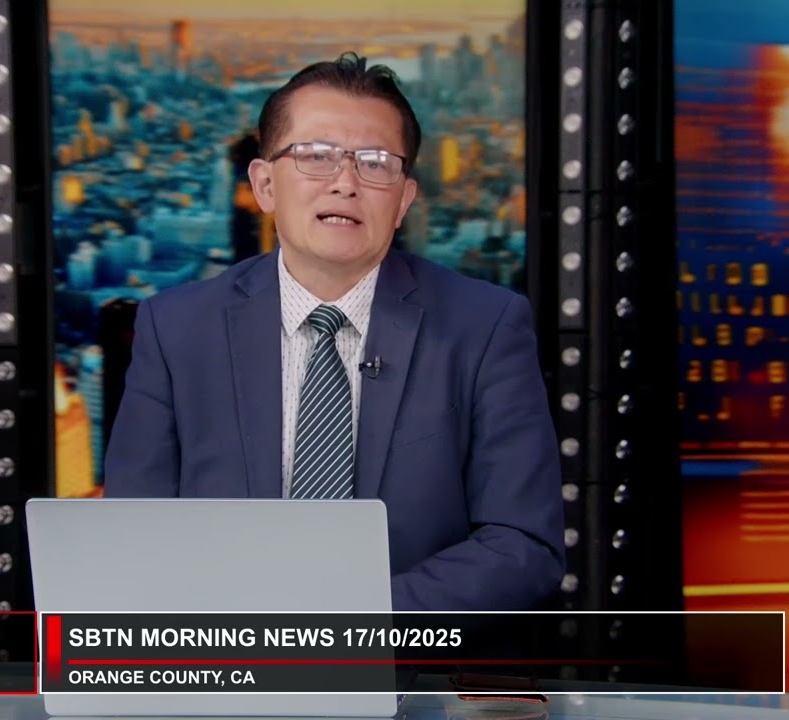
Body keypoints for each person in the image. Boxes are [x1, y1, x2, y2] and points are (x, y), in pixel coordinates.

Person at [103, 52, 564, 611]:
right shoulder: (175, 329)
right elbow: (133, 535)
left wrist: (351, 627)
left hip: (407, 658)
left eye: (375, 163)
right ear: (264, 185)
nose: (345, 183)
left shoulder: (486, 327)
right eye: (316, 157)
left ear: (404, 200)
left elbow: (523, 543)